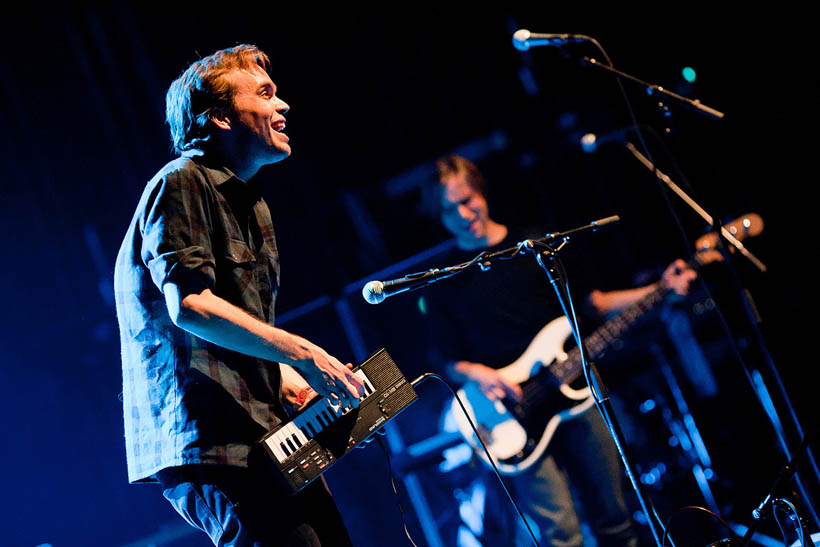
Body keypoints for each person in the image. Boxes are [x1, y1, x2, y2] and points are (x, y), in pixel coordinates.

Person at [114, 44, 364, 547]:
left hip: (259, 434)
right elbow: (190, 306)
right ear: (221, 117)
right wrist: (307, 352)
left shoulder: (251, 204)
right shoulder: (181, 181)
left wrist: (296, 382)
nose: (283, 105)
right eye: (266, 94)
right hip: (214, 442)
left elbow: (234, 328)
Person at [426, 155, 696, 547]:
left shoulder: (536, 246)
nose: (463, 214)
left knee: (615, 519)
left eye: (467, 200)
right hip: (511, 416)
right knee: (560, 535)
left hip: (578, 396)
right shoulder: (446, 280)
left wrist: (659, 289)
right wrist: (484, 374)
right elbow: (446, 359)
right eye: (449, 210)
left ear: (482, 192)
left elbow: (594, 304)